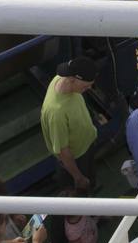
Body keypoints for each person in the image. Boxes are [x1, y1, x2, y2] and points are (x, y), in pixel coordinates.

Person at [41, 55, 99, 193]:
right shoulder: (57, 112)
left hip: (86, 144)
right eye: (86, 86)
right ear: (72, 80)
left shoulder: (60, 79)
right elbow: (63, 151)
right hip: (78, 157)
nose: (89, 88)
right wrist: (78, 177)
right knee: (83, 188)